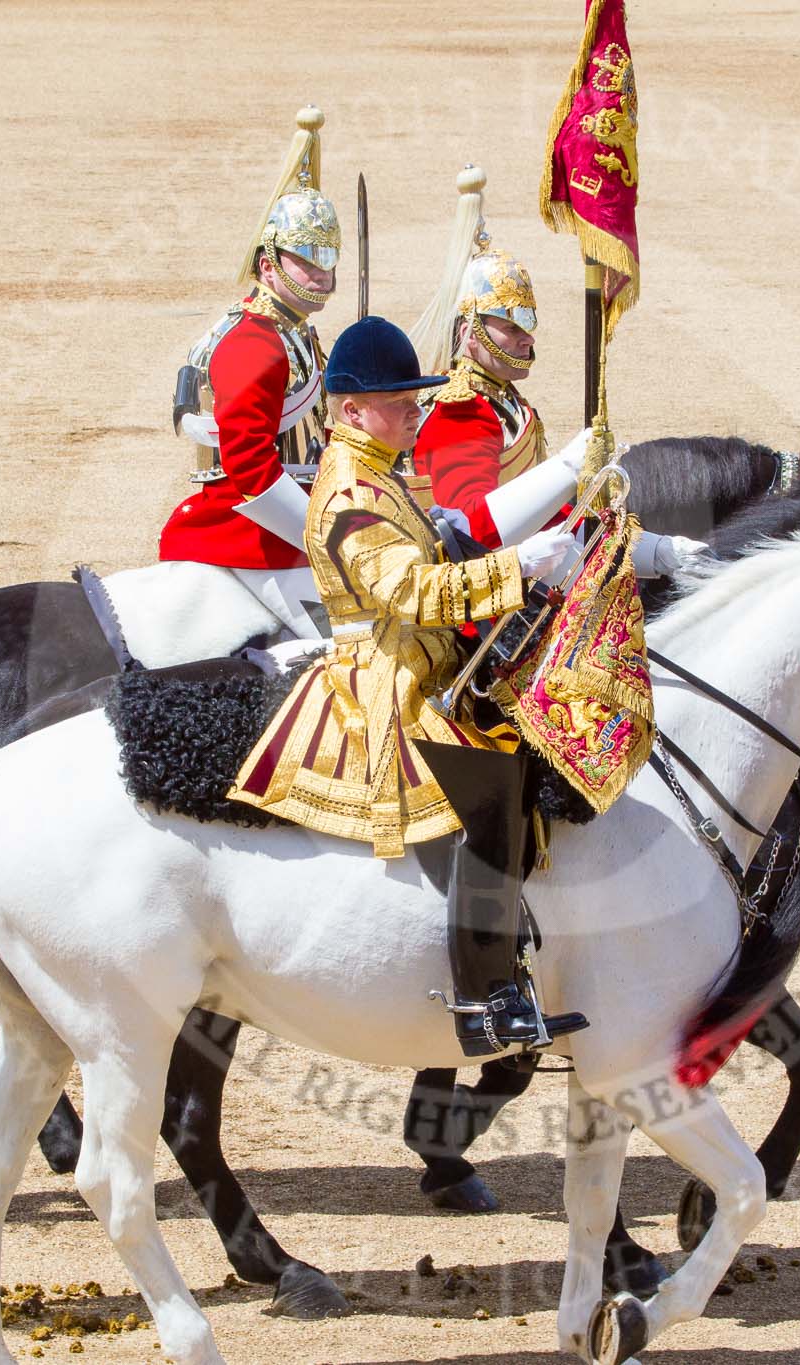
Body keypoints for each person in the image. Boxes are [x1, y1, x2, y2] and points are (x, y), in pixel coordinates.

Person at [229, 316, 589, 1055]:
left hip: (421, 658)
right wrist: (516, 569)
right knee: (488, 787)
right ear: (351, 410)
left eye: (415, 401)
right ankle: (482, 995)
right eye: (401, 403)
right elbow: (409, 593)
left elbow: (429, 549)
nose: (416, 413)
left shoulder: (381, 468)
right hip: (385, 677)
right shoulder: (349, 491)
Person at [156, 106, 340, 640]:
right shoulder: (255, 343)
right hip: (250, 532)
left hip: (285, 513)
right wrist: (325, 536)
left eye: (327, 259)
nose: (321, 274)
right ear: (268, 264)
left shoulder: (292, 329)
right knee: (353, 643)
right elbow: (249, 469)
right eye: (306, 259)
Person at [406, 165, 583, 551]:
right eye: (512, 326)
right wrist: (569, 469)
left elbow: (540, 510)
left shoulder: (502, 400)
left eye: (527, 323)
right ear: (470, 332)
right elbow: (471, 531)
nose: (528, 337)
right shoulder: (461, 413)